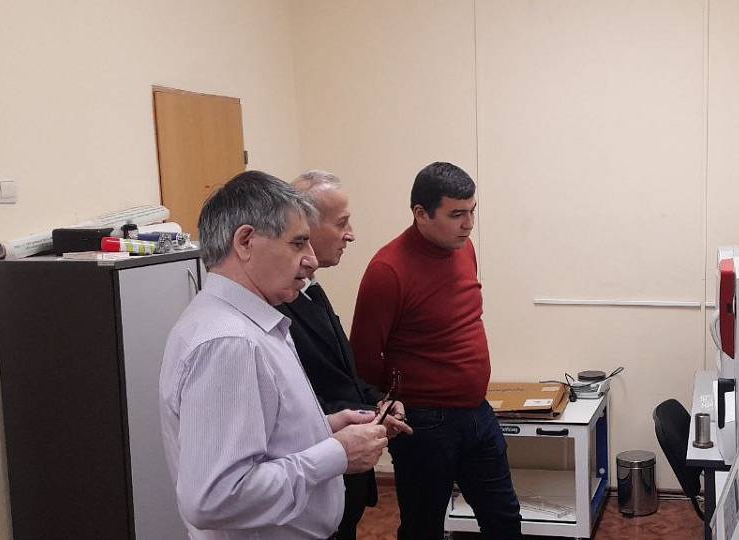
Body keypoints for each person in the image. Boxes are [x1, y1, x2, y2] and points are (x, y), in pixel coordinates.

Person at [160, 170, 398, 539]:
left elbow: (261, 440)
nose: (311, 260)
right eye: (298, 243)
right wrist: (335, 453)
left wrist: (322, 428)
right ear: (246, 242)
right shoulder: (230, 342)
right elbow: (214, 498)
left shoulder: (251, 323)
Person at [351, 162, 522, 539]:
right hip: (425, 422)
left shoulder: (464, 248)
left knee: (504, 517)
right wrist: (393, 404)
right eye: (456, 214)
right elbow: (364, 355)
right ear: (421, 214)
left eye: (472, 211)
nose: (469, 224)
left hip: (477, 410)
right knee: (423, 527)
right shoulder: (388, 270)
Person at [278, 170, 411, 540]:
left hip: (343, 483)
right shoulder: (275, 307)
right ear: (304, 227)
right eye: (341, 223)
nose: (350, 234)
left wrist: (378, 403)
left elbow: (341, 375)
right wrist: (360, 418)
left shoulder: (311, 290)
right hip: (312, 484)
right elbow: (293, 404)